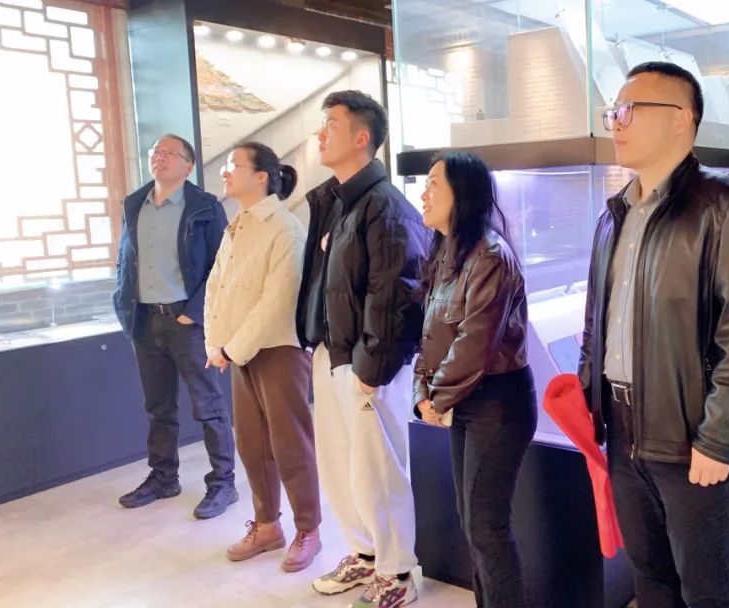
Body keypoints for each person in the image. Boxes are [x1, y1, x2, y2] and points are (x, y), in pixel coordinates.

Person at [577, 62, 729, 608]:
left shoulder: (726, 205)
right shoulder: (614, 214)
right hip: (621, 429)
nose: (616, 123)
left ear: (681, 119)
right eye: (613, 112)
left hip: (689, 430)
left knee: (706, 587)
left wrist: (719, 437)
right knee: (650, 577)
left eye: (629, 110)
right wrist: (591, 397)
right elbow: (597, 321)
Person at [296, 90, 430, 607]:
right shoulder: (334, 202)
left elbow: (396, 292)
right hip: (332, 352)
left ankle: (398, 572)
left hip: (369, 363)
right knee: (341, 465)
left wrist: (372, 367)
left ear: (361, 137)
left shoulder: (385, 205)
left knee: (378, 469)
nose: (320, 133)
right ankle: (366, 553)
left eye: (330, 124)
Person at [413, 152, 536, 608]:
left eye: (433, 184)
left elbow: (475, 342)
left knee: (487, 527)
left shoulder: (491, 256)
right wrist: (424, 393)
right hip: (465, 400)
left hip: (498, 404)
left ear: (461, 194)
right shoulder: (448, 251)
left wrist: (436, 398)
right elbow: (432, 335)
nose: (423, 194)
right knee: (474, 523)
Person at [204, 142, 322, 573]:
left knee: (290, 444)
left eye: (233, 165)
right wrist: (216, 344)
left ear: (261, 177)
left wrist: (231, 348)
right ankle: (267, 525)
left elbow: (277, 301)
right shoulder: (236, 225)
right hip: (239, 351)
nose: (225, 172)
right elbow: (216, 287)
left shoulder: (284, 228)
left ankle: (308, 529)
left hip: (278, 349)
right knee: (251, 444)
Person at [113, 134, 237, 519]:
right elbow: (124, 260)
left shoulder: (205, 207)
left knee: (208, 405)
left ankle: (223, 482)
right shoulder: (135, 204)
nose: (160, 158)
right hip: (144, 320)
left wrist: (194, 312)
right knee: (158, 406)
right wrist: (123, 303)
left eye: (169, 153)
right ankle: (163, 477)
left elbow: (223, 265)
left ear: (188, 165)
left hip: (188, 323)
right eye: (156, 152)